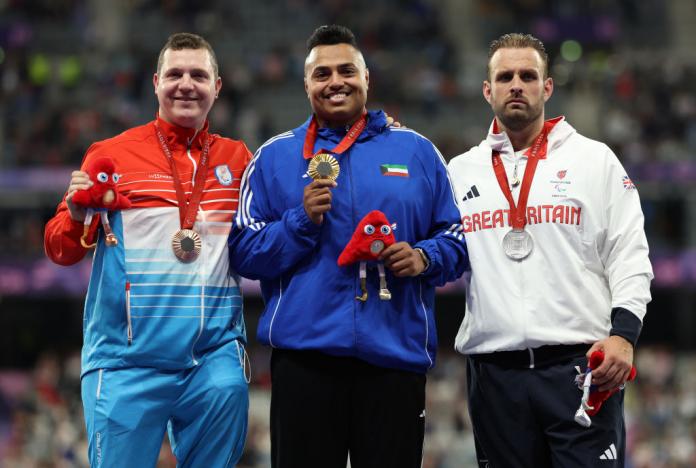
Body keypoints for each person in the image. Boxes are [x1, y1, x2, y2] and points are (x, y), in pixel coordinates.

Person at [228, 25, 467, 468]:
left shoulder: (417, 152)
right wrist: (300, 221)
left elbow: (458, 239)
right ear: (306, 84)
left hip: (395, 359)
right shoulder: (274, 157)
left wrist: (423, 257)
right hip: (305, 363)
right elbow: (243, 252)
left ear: (366, 78)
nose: (335, 81)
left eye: (346, 70)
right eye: (322, 74)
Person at [44, 33, 251, 467]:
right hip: (125, 365)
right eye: (175, 74)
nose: (186, 84)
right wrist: (78, 213)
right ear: (156, 83)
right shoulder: (111, 155)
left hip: (211, 360)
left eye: (198, 74)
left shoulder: (239, 160)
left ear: (218, 86)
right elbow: (60, 251)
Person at [448, 33, 653, 467]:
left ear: (548, 87)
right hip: (494, 375)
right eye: (505, 77)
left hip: (580, 367)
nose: (516, 84)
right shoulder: (459, 171)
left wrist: (624, 334)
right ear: (488, 90)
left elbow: (630, 253)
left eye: (528, 75)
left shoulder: (594, 161)